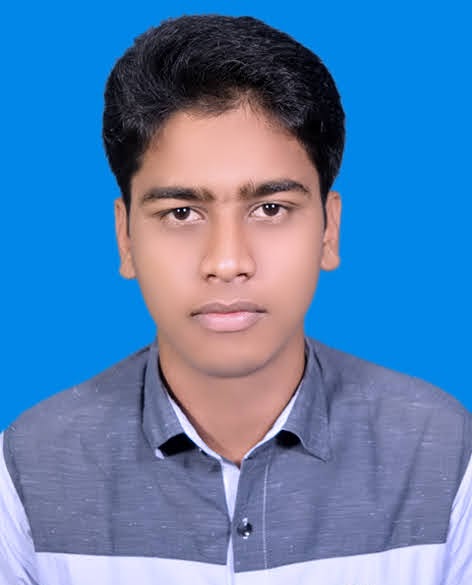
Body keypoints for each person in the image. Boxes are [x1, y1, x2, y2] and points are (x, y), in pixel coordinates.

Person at [0, 13, 470, 585]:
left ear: (329, 230)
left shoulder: (444, 454)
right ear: (125, 238)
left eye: (270, 209)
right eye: (181, 213)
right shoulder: (27, 470)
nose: (227, 262)